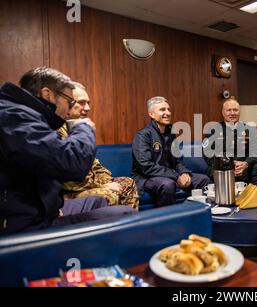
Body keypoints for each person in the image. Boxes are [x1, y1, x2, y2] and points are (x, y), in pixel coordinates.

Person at [0, 67, 135, 235]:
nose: (70, 110)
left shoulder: (26, 116)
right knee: (124, 213)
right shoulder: (13, 116)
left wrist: (53, 206)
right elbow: (73, 164)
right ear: (47, 94)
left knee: (101, 200)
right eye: (70, 102)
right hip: (26, 225)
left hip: (44, 209)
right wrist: (83, 127)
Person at [57, 83, 139, 209]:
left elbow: (94, 165)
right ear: (67, 103)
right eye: (82, 102)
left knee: (128, 183)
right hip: (67, 192)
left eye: (88, 103)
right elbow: (70, 178)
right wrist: (101, 186)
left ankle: (128, 225)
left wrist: (108, 181)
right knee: (110, 194)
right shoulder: (57, 129)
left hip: (86, 186)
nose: (88, 108)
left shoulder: (77, 128)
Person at [132, 96, 209, 206]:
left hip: (170, 176)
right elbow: (145, 166)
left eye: (168, 109)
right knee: (167, 184)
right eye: (162, 110)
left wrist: (184, 173)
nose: (167, 113)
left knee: (202, 180)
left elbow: (177, 160)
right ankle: (169, 221)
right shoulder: (142, 135)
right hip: (147, 178)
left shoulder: (171, 134)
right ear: (151, 114)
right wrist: (176, 176)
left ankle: (194, 215)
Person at [203, 98, 257, 188]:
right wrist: (228, 164)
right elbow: (208, 154)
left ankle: (252, 196)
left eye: (235, 110)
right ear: (223, 112)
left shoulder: (249, 129)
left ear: (239, 112)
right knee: (212, 169)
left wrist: (245, 164)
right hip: (222, 168)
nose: (232, 113)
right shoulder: (212, 130)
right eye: (229, 110)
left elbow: (256, 153)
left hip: (244, 169)